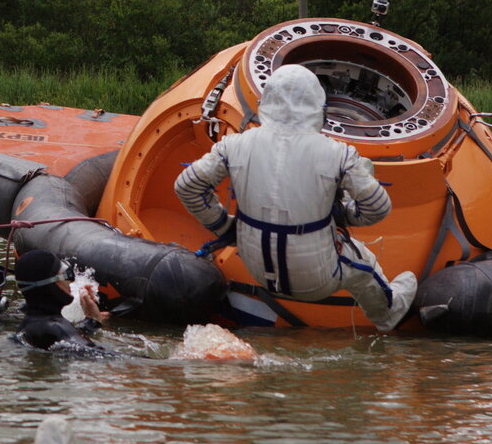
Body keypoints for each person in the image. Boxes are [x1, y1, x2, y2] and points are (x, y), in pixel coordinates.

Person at [174, 63, 417, 331]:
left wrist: (224, 226)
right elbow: (378, 207)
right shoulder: (339, 154)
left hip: (255, 268)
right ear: (318, 106)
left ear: (266, 101)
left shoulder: (234, 144)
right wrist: (343, 216)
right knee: (363, 264)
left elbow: (187, 186)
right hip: (316, 278)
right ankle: (388, 313)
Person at [11, 248, 109, 350]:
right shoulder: (53, 327)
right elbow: (100, 356)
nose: (71, 281)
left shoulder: (30, 325)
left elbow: (65, 337)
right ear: (50, 284)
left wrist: (93, 321)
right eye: (66, 274)